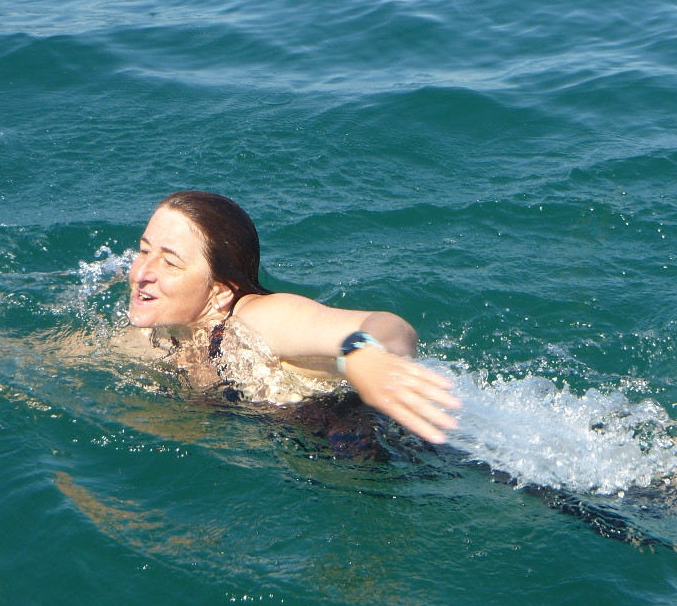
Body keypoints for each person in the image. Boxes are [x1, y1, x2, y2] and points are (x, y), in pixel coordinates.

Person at [125, 190, 461, 445]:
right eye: (143, 251)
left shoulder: (258, 319)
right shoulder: (159, 337)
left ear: (221, 291)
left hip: (411, 459)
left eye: (170, 262)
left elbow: (393, 327)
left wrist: (363, 353)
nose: (142, 272)